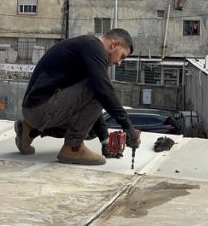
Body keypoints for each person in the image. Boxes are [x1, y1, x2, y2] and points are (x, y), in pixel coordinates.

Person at [15, 28, 140, 165]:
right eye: (122, 56)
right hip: (41, 108)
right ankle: (73, 148)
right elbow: (102, 91)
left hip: (35, 109)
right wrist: (128, 126)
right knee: (99, 88)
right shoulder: (94, 48)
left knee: (91, 130)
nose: (119, 62)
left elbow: (89, 104)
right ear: (114, 44)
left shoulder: (87, 47)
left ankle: (29, 130)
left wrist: (105, 140)